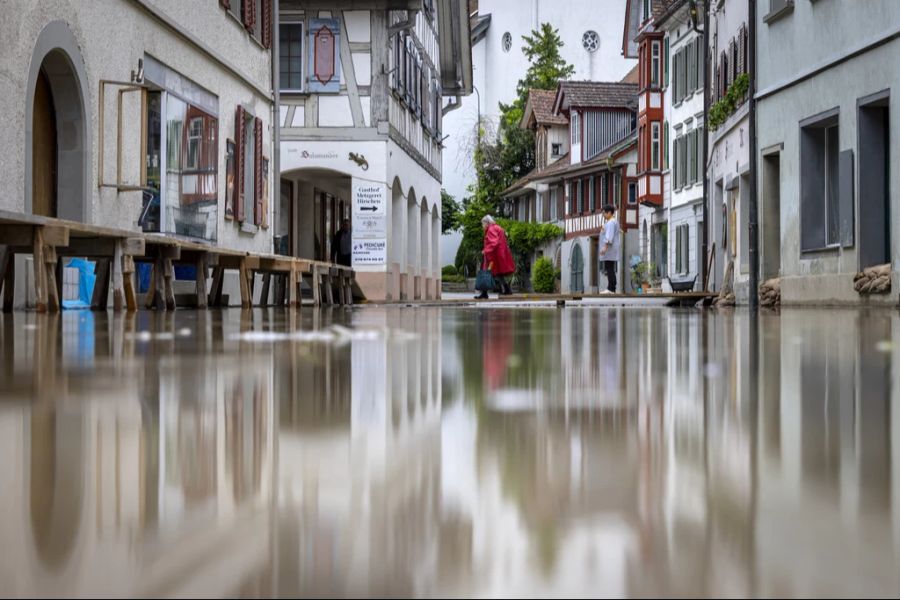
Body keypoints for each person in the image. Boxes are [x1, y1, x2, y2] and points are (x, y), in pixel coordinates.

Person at [477, 215, 515, 299]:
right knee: (498, 273)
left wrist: (485, 250)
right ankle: (507, 289)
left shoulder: (491, 229)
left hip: (493, 256)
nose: (482, 226)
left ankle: (484, 293)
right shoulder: (497, 227)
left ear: (487, 223)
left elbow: (494, 242)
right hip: (499, 255)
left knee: (487, 272)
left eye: (483, 224)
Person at [599, 205, 620, 294]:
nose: (603, 215)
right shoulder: (612, 222)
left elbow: (609, 236)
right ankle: (612, 287)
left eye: (604, 213)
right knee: (609, 267)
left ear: (609, 213)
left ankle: (611, 288)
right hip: (611, 248)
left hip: (610, 249)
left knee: (609, 267)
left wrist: (605, 247)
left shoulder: (611, 222)